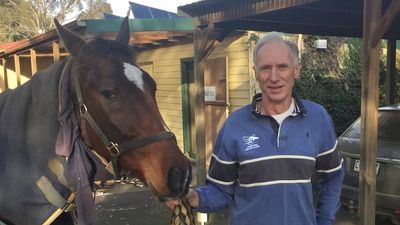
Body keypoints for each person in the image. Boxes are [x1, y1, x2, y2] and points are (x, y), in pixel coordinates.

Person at [167, 32, 344, 225]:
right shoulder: (235, 125)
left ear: (296, 70)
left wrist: (324, 220)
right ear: (255, 73)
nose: (274, 77)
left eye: (282, 67)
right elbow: (220, 190)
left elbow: (333, 175)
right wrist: (194, 197)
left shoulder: (317, 119)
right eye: (266, 68)